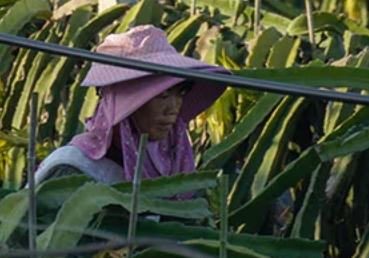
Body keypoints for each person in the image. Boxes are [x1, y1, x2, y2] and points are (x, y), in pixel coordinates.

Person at [35, 25, 229, 188]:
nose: (173, 109)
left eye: (180, 94)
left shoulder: (164, 161)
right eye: (162, 96)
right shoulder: (72, 167)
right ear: (126, 106)